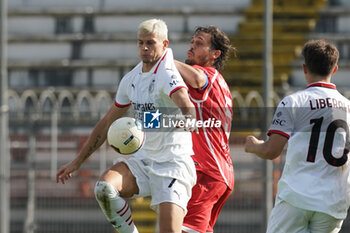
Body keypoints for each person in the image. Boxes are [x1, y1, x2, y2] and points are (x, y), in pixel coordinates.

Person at [56, 18, 197, 233]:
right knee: (104, 188)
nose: (145, 48)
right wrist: (78, 161)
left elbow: (187, 106)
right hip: (144, 160)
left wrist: (186, 118)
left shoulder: (167, 74)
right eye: (140, 43)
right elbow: (106, 123)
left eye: (151, 42)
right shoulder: (131, 79)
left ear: (165, 44)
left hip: (172, 165)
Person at [245, 39, 350, 233]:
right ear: (334, 70)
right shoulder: (348, 107)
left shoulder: (294, 102)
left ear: (304, 68)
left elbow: (270, 151)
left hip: (296, 197)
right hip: (333, 202)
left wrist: (253, 145)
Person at [174, 26, 235, 233]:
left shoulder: (207, 75)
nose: (191, 46)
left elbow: (198, 79)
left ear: (214, 54)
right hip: (216, 173)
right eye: (192, 42)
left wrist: (162, 59)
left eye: (199, 43)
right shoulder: (218, 83)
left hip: (206, 173)